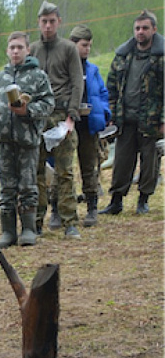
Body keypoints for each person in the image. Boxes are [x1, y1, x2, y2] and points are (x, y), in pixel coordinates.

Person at [0, 32, 54, 249]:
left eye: (19, 47)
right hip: (4, 139)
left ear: (27, 50)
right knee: (7, 187)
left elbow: (49, 104)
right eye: (12, 47)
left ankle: (29, 229)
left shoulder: (38, 77)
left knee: (27, 185)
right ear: (7, 50)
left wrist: (28, 110)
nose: (15, 51)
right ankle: (8, 231)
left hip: (27, 140)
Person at [29, 1, 84, 237]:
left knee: (64, 171)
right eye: (44, 22)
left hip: (62, 116)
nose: (48, 26)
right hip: (38, 116)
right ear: (39, 23)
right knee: (37, 171)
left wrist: (71, 116)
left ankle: (69, 220)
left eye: (52, 21)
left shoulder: (69, 49)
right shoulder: (32, 50)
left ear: (59, 22)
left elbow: (77, 83)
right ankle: (37, 220)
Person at [103, 10, 164, 215]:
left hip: (151, 119)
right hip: (125, 118)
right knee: (121, 161)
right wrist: (111, 111)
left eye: (145, 28)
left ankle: (143, 200)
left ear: (154, 30)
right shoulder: (123, 56)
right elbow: (111, 86)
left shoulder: (161, 57)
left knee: (150, 162)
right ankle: (116, 201)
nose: (140, 32)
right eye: (137, 28)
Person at [68, 25, 111, 226]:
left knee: (89, 167)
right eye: (84, 45)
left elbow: (102, 93)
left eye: (89, 46)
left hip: (89, 124)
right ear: (73, 45)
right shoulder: (65, 68)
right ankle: (63, 209)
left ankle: (92, 207)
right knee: (64, 168)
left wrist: (104, 112)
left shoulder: (92, 70)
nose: (87, 49)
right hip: (69, 123)